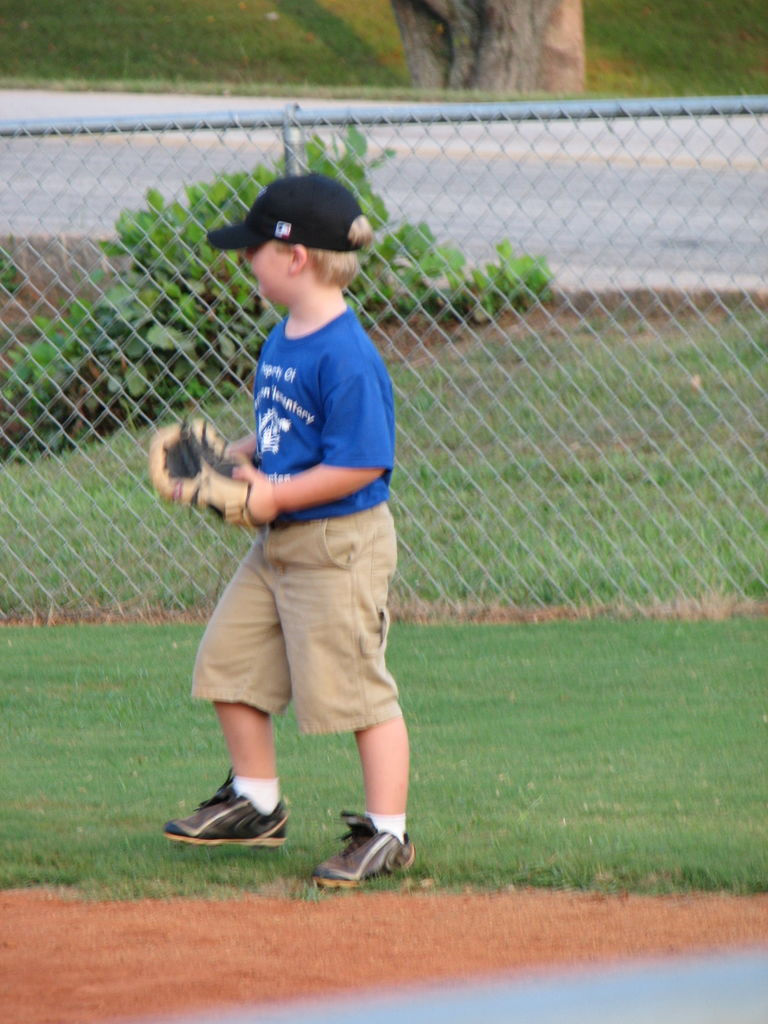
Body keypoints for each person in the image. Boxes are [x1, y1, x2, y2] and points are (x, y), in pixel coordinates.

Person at [163, 173, 413, 888]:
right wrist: (235, 457)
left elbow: (363, 462)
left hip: (337, 547)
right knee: (228, 663)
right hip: (278, 544)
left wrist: (275, 496)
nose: (246, 260)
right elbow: (288, 436)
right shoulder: (286, 335)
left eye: (254, 250)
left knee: (357, 692)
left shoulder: (346, 355)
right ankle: (255, 802)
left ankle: (387, 833)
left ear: (295, 256)